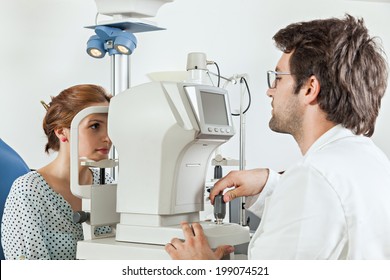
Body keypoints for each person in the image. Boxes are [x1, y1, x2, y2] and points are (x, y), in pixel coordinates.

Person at [165, 15, 390, 260]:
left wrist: (202, 268)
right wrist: (270, 182)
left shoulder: (312, 178)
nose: (269, 90)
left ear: (309, 89)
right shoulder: (371, 159)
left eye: (278, 77)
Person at [1, 84, 113, 260]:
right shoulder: (29, 190)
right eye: (95, 126)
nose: (107, 137)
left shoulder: (106, 181)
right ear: (62, 132)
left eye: (110, 125)